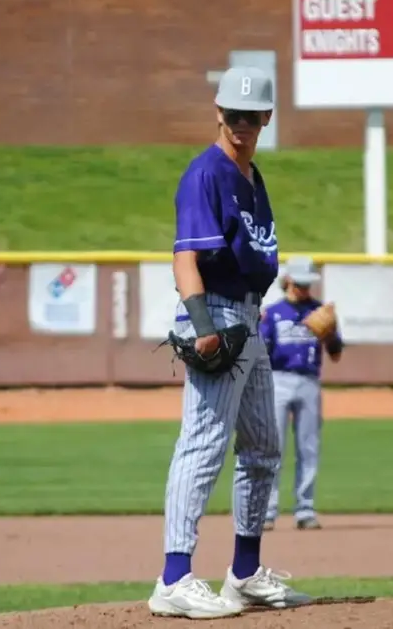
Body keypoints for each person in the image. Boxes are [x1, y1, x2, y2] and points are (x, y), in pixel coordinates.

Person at [148, 66, 312, 620]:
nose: (242, 123)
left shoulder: (252, 178)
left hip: (249, 318)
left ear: (266, 118)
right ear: (219, 113)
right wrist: (202, 325)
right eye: (233, 114)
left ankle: (244, 573)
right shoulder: (206, 173)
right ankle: (173, 578)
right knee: (203, 444)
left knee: (263, 446)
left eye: (252, 116)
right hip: (215, 313)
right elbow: (185, 257)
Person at [259, 256, 344, 532]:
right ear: (288, 281)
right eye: (301, 284)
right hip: (277, 380)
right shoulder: (272, 313)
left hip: (309, 381)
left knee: (309, 447)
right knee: (273, 448)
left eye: (309, 284)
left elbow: (336, 355)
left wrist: (330, 334)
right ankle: (267, 511)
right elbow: (260, 354)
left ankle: (305, 509)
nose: (306, 289)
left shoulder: (320, 311)